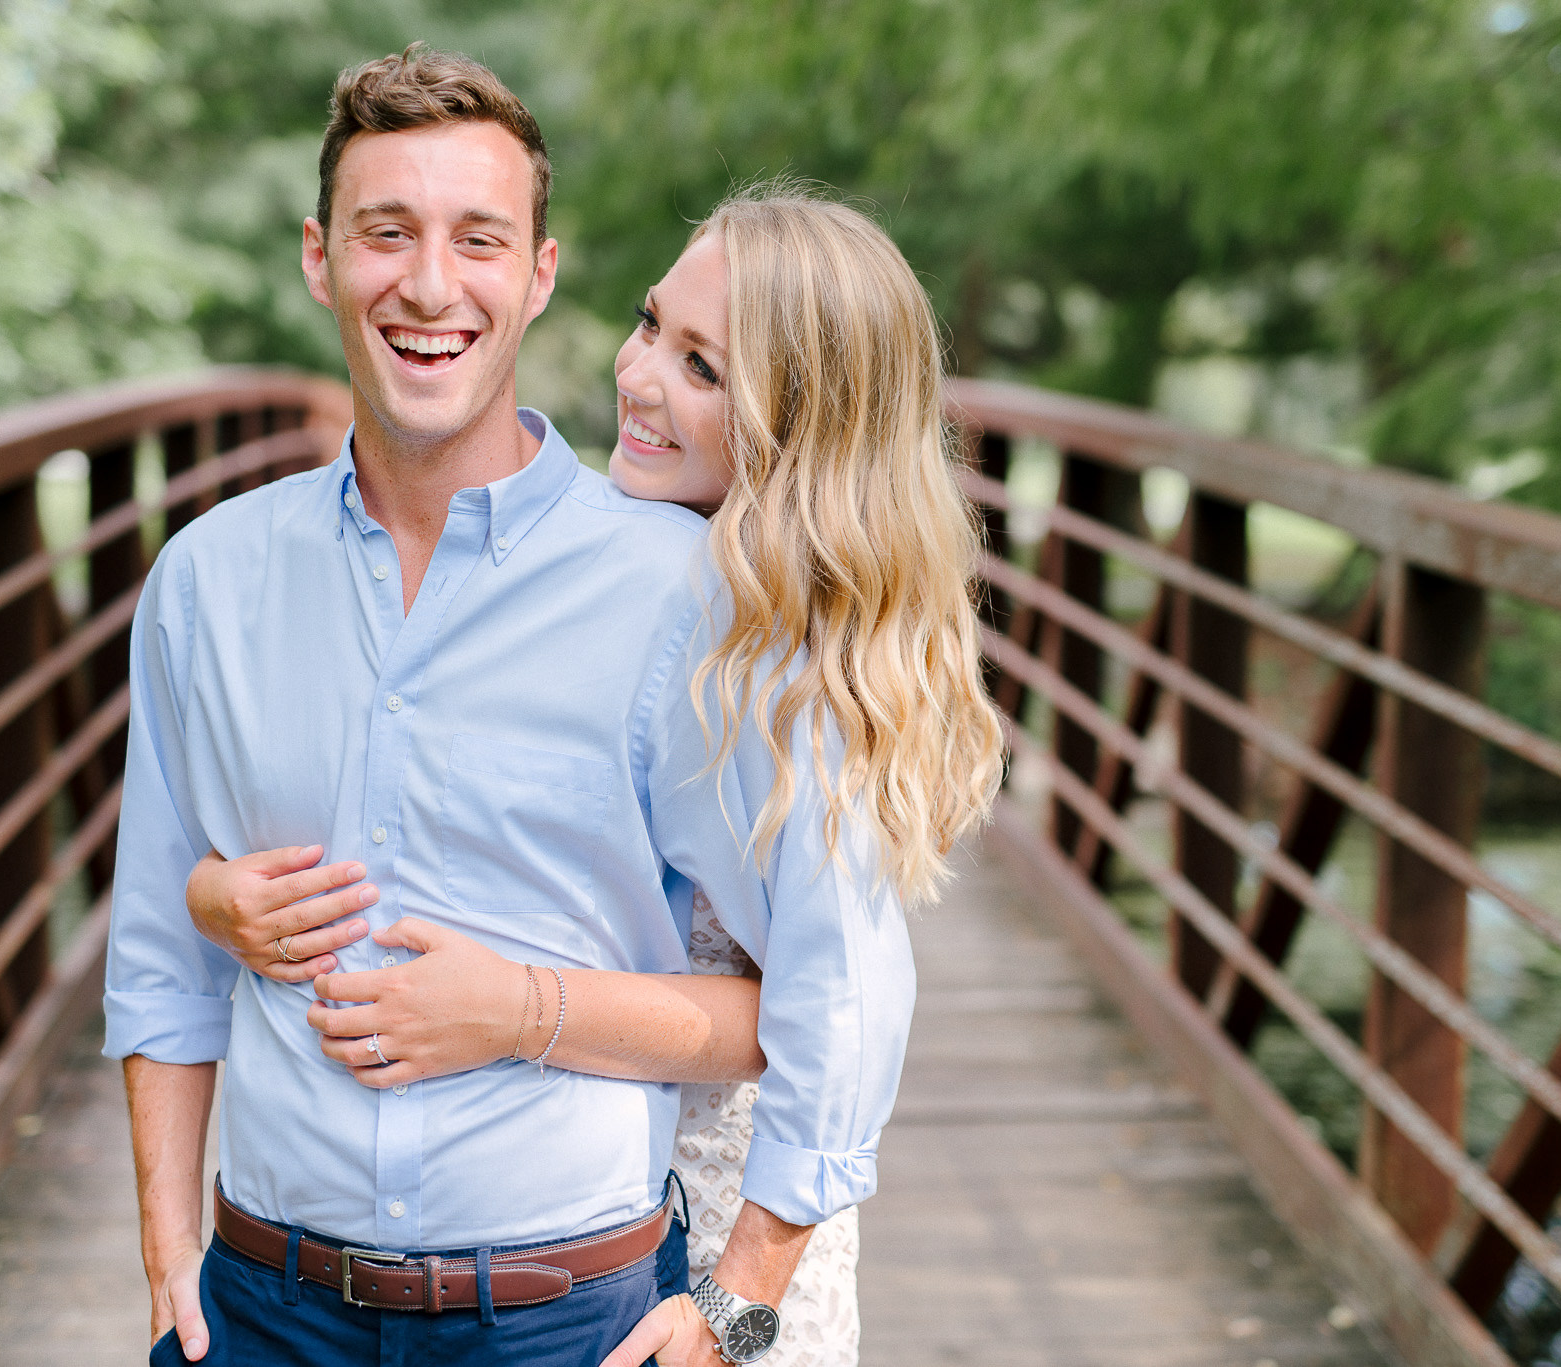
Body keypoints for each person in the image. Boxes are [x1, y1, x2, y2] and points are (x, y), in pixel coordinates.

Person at [105, 44, 999, 1367]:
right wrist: (169, 1236)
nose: (645, 381)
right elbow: (162, 941)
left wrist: (738, 1288)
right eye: (657, 333)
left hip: (622, 1288)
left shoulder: (711, 610)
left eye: (708, 370)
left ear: (536, 275)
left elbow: (837, 983)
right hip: (270, 1300)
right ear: (320, 257)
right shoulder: (210, 583)